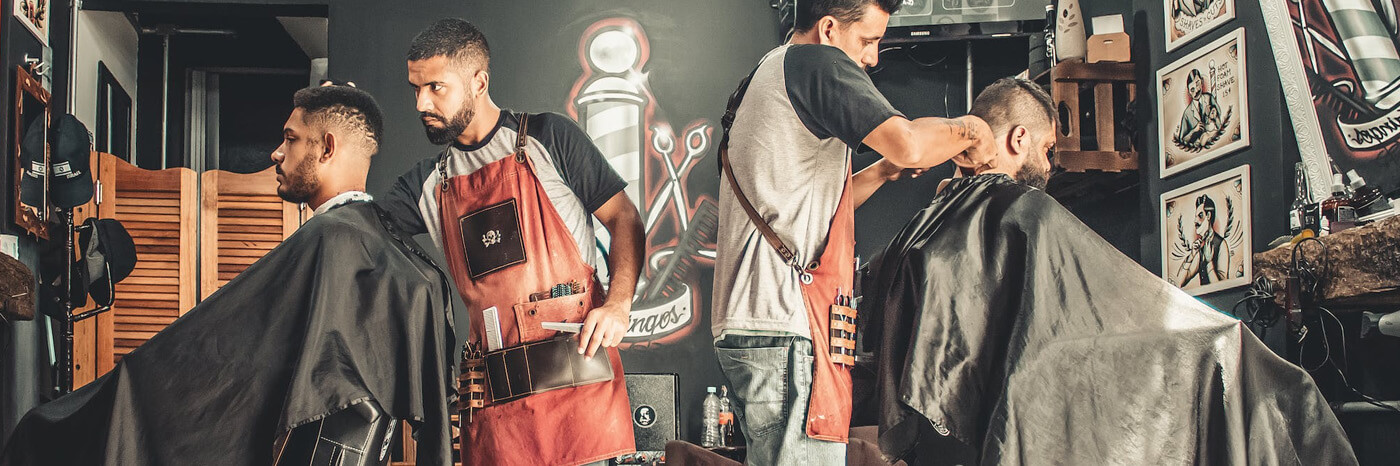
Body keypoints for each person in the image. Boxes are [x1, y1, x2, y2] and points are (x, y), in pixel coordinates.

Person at [862, 78, 1356, 465]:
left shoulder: (920, 228)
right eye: (1047, 150)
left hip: (942, 441)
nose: (1049, 166)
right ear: (1018, 138)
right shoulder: (1027, 213)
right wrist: (1223, 340)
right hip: (1009, 429)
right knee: (1277, 385)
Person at [1, 85, 458, 466]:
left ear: (327, 147)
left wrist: (115, 395)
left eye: (291, 139)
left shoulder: (329, 241)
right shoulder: (400, 256)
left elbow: (211, 356)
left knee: (43, 430)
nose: (276, 153)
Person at [709, 0, 997, 463]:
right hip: (788, 327)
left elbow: (808, 206)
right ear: (828, 29)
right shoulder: (814, 62)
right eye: (867, 40)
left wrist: (881, 172)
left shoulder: (769, 73)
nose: (872, 57)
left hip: (755, 326)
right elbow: (908, 144)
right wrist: (973, 130)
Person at [380, 18, 642, 466]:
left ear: (479, 82)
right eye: (416, 89)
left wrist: (618, 304)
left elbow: (624, 218)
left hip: (579, 395)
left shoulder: (549, 138)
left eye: (436, 87)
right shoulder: (426, 185)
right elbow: (360, 228)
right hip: (498, 411)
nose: (421, 103)